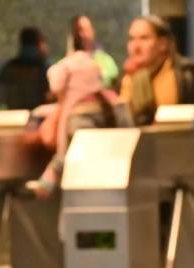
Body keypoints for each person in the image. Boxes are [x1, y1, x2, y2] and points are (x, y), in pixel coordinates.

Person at [29, 46, 131, 198]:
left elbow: (69, 154)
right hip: (124, 184)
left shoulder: (77, 116)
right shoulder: (117, 105)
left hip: (91, 192)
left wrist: (47, 181)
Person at [118, 15, 194, 125]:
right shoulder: (125, 78)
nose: (135, 47)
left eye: (144, 38)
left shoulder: (186, 74)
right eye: (131, 39)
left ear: (163, 44)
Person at [0, 27, 50, 110]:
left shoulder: (9, 67)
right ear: (39, 43)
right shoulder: (43, 68)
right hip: (38, 116)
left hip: (14, 116)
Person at [70, 15, 119, 88]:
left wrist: (98, 74)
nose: (84, 33)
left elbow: (113, 73)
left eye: (88, 28)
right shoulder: (71, 59)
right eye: (81, 29)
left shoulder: (102, 57)